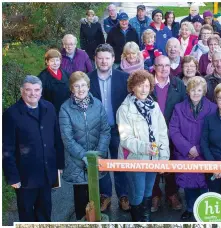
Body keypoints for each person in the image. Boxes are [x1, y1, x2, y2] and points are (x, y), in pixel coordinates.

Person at [3, 75, 64, 222]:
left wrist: (60, 164)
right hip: (25, 177)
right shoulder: (11, 114)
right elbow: (6, 148)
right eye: (28, 90)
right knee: (26, 215)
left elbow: (57, 138)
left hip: (46, 171)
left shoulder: (49, 108)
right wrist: (12, 176)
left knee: (45, 211)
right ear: (21, 90)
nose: (33, 93)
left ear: (41, 91)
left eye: (36, 90)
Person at [117, 70, 170, 222]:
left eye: (147, 85)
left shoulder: (154, 106)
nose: (144, 89)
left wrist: (163, 158)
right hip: (134, 158)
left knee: (148, 191)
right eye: (140, 86)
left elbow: (162, 133)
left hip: (153, 158)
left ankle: (145, 220)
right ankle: (138, 221)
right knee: (138, 193)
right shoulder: (124, 109)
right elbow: (125, 138)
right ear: (132, 87)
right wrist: (144, 147)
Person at [59, 71, 111, 220]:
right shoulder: (65, 109)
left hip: (97, 157)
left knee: (95, 196)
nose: (80, 89)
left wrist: (98, 153)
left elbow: (105, 130)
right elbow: (67, 138)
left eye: (83, 85)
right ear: (71, 88)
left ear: (88, 86)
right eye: (76, 86)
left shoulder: (98, 105)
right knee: (81, 199)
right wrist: (84, 156)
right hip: (77, 161)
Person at [88, 44, 130, 212]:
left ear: (113, 59)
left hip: (118, 129)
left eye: (107, 58)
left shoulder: (124, 78)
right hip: (97, 130)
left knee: (120, 162)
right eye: (100, 58)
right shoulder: (87, 79)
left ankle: (123, 195)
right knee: (102, 164)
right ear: (95, 60)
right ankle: (105, 196)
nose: (104, 61)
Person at [169, 76, 217, 220]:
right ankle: (190, 208)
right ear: (188, 91)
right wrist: (188, 148)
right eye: (192, 90)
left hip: (204, 153)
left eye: (199, 90)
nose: (195, 93)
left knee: (204, 183)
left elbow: (213, 133)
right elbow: (173, 130)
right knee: (188, 184)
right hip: (185, 153)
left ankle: (203, 210)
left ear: (204, 91)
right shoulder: (178, 108)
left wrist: (199, 149)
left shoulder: (213, 108)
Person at [150, 55, 187, 212]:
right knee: (153, 164)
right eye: (160, 65)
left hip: (172, 131)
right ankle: (155, 195)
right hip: (151, 132)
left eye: (167, 65)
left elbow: (184, 107)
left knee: (171, 163)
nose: (164, 68)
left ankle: (172, 194)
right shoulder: (148, 83)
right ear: (154, 67)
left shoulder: (177, 83)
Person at [38, 49, 71, 114]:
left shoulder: (66, 74)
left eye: (57, 60)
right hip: (51, 111)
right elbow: (40, 97)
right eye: (52, 61)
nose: (55, 63)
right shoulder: (42, 78)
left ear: (60, 61)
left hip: (67, 110)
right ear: (47, 62)